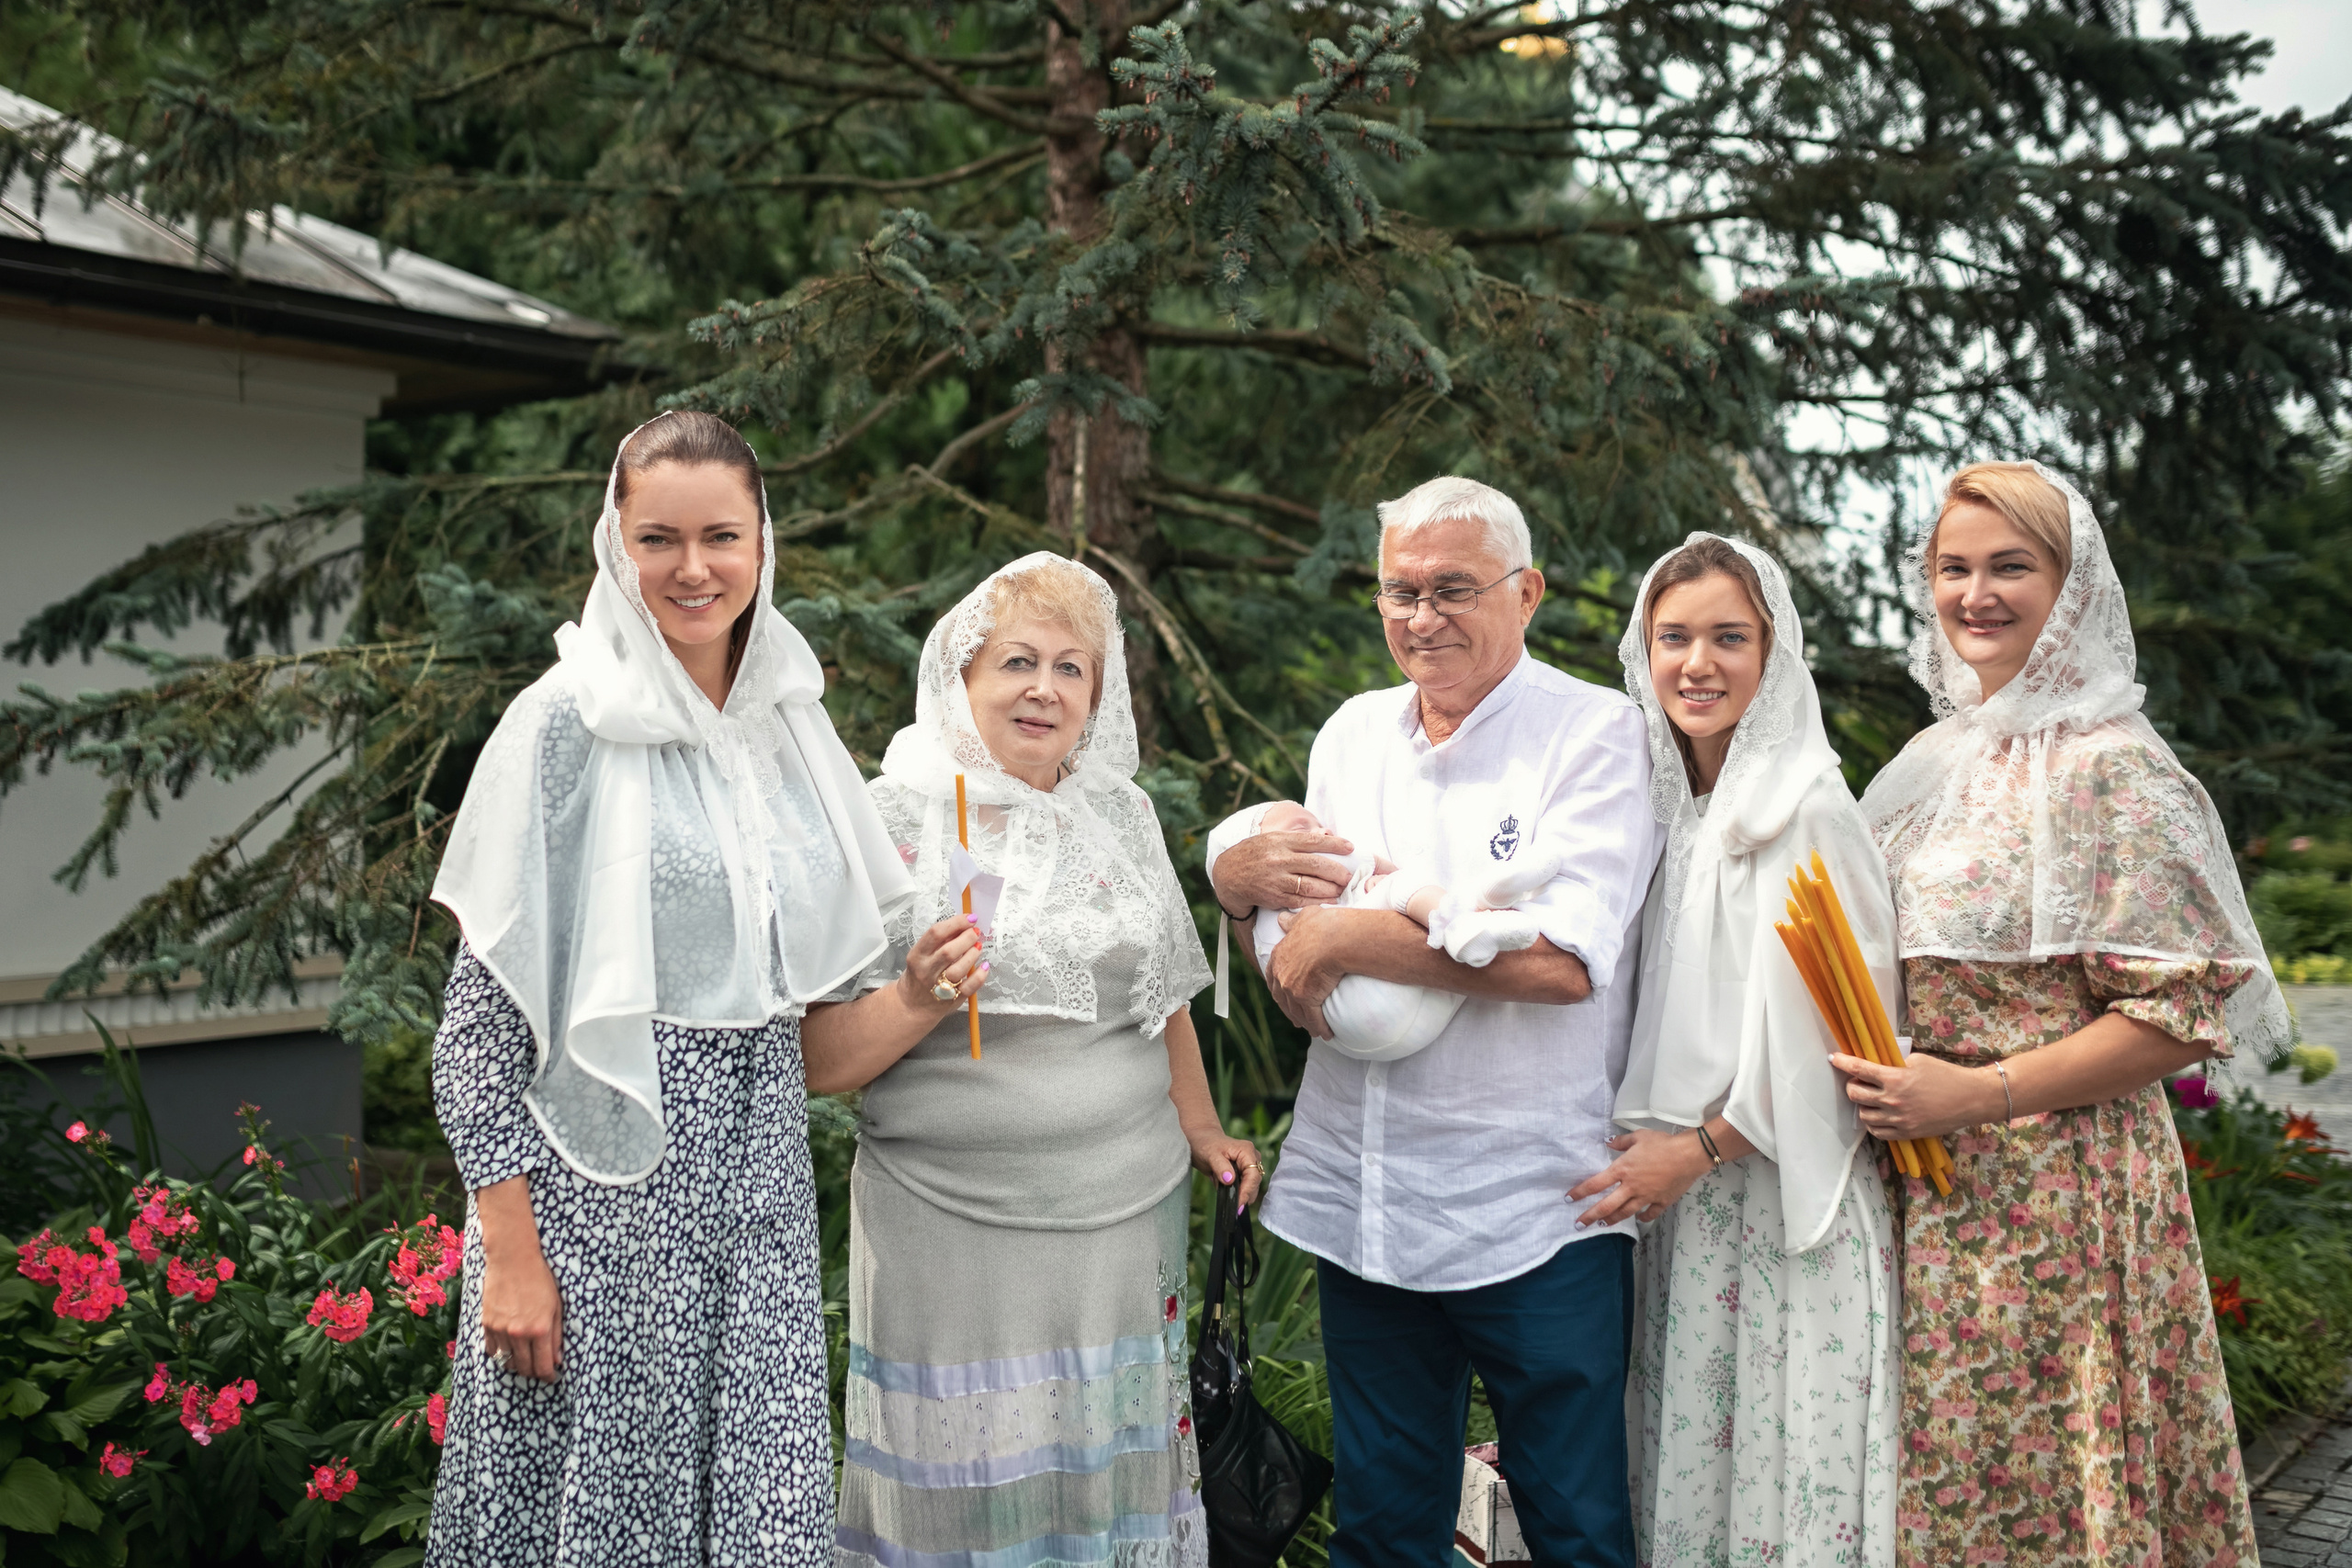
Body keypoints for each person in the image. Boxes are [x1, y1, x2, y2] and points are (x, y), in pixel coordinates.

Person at [425, 411, 926, 1564]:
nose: (693, 570)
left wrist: (925, 994)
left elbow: (801, 1046)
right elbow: (473, 1040)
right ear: (616, 543)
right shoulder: (563, 725)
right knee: (607, 1530)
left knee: (764, 1525)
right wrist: (509, 1255)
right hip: (598, 1218)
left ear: (764, 544)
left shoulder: (788, 736)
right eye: (659, 539)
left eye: (721, 537)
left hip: (758, 1217)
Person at [1836, 461, 2286, 1567]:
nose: (1975, 594)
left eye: (2010, 567)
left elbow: (2180, 1017)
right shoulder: (1928, 762)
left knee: (2042, 1488)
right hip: (1919, 1192)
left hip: (2055, 1206)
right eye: (1953, 568)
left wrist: (1975, 1091)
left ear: (2071, 582)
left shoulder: (2113, 768)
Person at [1206, 475, 1660, 1568]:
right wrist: (1236, 884)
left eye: (1453, 588)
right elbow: (1291, 916)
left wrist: (1347, 941)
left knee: (1576, 1527)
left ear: (1528, 592)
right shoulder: (1353, 733)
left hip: (1538, 1207)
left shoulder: (1594, 734)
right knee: (1381, 1528)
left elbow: (1559, 965)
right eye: (1399, 591)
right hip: (1370, 1200)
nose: (1422, 616)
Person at [813, 551, 1258, 1568]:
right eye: (1016, 661)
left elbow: (1163, 1000)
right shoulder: (894, 821)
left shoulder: (1122, 815)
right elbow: (819, 1058)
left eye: (1071, 668)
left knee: (1100, 1472)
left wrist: (1201, 1128)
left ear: (1097, 697)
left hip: (1123, 1222)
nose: (1042, 688)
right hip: (953, 1228)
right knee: (974, 1502)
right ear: (960, 682)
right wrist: (917, 996)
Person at [1570, 534, 1899, 1567]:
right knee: (1693, 1485)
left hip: (1772, 1201)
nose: (1696, 664)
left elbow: (1837, 1049)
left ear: (1774, 654)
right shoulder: (1670, 815)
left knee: (1779, 1484)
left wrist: (1700, 1148)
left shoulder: (1805, 809)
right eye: (1673, 638)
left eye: (1728, 637)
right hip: (1683, 1209)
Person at [1206, 798, 1565, 1060]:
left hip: (1363, 1033)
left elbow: (1569, 976)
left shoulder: (1274, 916)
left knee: (1383, 894)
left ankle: (1486, 902)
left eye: (1317, 824)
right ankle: (1466, 918)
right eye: (1302, 829)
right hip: (1370, 1005)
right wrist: (1383, 881)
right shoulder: (1313, 864)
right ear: (1260, 853)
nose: (1323, 832)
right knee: (1398, 887)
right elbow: (1363, 863)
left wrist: (1344, 929)